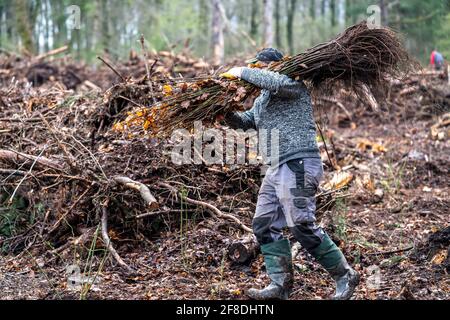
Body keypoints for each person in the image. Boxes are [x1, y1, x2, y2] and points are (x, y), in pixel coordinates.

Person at [219, 48, 360, 300]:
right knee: (263, 224)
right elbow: (247, 120)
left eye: (261, 67)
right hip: (276, 169)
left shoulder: (292, 85)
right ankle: (280, 285)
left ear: (275, 67)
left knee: (301, 225)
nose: (258, 71)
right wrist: (223, 112)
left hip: (298, 163)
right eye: (255, 67)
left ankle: (345, 275)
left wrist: (241, 71)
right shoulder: (263, 98)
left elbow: (272, 80)